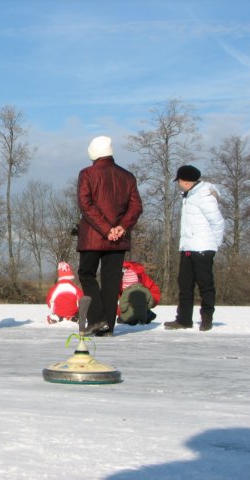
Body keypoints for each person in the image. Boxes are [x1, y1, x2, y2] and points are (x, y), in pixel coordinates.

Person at [76, 136, 143, 336]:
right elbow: (136, 206)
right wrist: (121, 227)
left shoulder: (87, 174)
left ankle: (97, 319)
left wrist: (107, 229)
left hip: (93, 238)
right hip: (118, 240)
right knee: (111, 280)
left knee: (87, 274)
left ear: (93, 153)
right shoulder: (127, 176)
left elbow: (85, 204)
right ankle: (108, 328)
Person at [164, 165, 224, 331]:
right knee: (184, 284)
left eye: (179, 181)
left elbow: (217, 222)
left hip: (203, 247)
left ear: (185, 181)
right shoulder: (190, 195)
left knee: (205, 284)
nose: (178, 184)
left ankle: (206, 318)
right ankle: (183, 319)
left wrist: (214, 244)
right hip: (188, 246)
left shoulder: (203, 196)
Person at [117, 260, 161, 325]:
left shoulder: (142, 276)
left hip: (135, 307)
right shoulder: (116, 277)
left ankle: (142, 315)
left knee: (127, 313)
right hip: (139, 307)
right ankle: (145, 315)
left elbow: (122, 306)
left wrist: (120, 312)